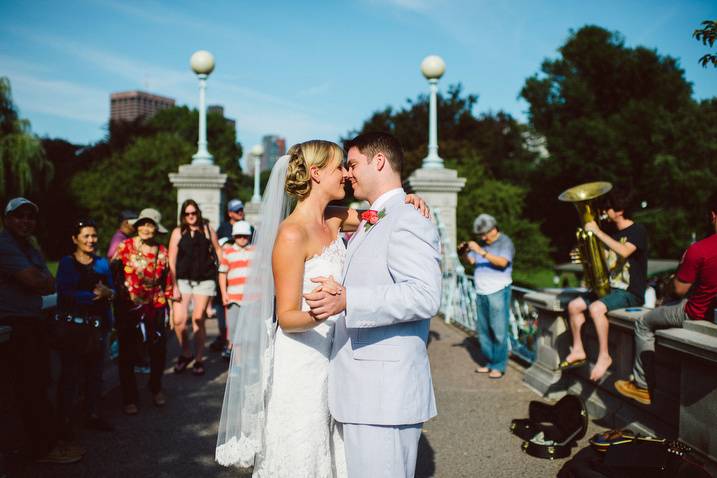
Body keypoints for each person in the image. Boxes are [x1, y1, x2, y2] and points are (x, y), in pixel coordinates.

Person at [215, 139, 430, 477]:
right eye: (338, 167)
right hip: (302, 357)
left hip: (337, 358)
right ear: (315, 173)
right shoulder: (291, 234)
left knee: (335, 454)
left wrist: (411, 201)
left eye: (348, 166)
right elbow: (286, 317)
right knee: (303, 450)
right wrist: (328, 309)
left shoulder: (336, 219)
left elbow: (384, 212)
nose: (346, 174)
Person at [305, 132, 442, 478]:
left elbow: (425, 294)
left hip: (384, 396)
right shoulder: (374, 217)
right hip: (364, 392)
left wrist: (348, 299)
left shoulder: (408, 216)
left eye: (352, 164)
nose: (348, 173)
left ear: (378, 161)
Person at [0, 198, 83, 464]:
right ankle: (41, 449)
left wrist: (39, 279)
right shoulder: (5, 245)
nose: (26, 221)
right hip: (15, 324)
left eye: (30, 217)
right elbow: (36, 279)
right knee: (29, 388)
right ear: (7, 219)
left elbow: (49, 283)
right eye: (19, 216)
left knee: (38, 383)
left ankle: (45, 444)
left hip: (31, 321)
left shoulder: (29, 247)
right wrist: (37, 279)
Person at [615, 194, 717, 405]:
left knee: (643, 322)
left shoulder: (700, 249)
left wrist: (674, 278)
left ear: (713, 216)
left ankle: (642, 385)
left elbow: (679, 289)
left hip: (696, 312)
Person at [560, 188, 648, 381]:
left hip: (630, 291)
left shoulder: (637, 231)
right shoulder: (612, 233)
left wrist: (597, 232)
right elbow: (604, 261)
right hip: (611, 289)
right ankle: (578, 350)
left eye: (607, 208)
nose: (604, 212)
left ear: (620, 210)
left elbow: (624, 252)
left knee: (596, 308)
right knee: (574, 306)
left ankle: (604, 355)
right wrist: (583, 254)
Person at [55, 219, 115, 436]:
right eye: (86, 236)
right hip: (74, 327)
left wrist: (108, 293)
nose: (91, 240)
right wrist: (93, 295)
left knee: (95, 373)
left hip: (98, 327)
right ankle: (65, 420)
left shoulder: (102, 264)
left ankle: (93, 414)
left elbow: (111, 290)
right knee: (71, 374)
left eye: (94, 236)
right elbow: (64, 292)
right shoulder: (67, 263)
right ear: (75, 239)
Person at [111, 208, 173, 415]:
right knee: (127, 351)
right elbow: (113, 272)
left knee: (158, 349)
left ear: (156, 228)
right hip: (128, 306)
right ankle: (129, 397)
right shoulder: (124, 247)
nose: (146, 228)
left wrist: (170, 309)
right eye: (143, 224)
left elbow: (168, 281)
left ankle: (155, 387)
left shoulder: (161, 250)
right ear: (137, 225)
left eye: (151, 224)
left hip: (155, 304)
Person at [168, 200, 223, 376]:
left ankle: (199, 358)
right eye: (187, 214)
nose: (190, 216)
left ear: (198, 213)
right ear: (183, 215)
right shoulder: (178, 232)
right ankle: (186, 352)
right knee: (179, 320)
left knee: (198, 319)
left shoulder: (207, 229)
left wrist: (222, 270)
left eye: (193, 213)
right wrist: (174, 285)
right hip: (183, 280)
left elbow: (218, 250)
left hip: (204, 280)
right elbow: (171, 260)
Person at [459, 213, 515, 379]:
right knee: (483, 332)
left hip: (498, 289)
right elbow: (472, 262)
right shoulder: (483, 244)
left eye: (485, 234)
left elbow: (503, 262)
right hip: (481, 291)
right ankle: (489, 363)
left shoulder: (505, 242)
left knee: (498, 331)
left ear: (493, 229)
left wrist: (481, 251)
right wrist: (463, 253)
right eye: (481, 235)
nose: (483, 237)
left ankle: (499, 365)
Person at [217, 220, 255, 360]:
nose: (242, 239)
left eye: (245, 236)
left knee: (251, 334)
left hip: (252, 299)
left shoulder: (255, 251)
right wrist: (224, 294)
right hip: (234, 298)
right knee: (235, 333)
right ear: (234, 236)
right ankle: (238, 364)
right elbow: (222, 273)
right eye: (239, 236)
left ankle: (249, 363)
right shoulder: (228, 252)